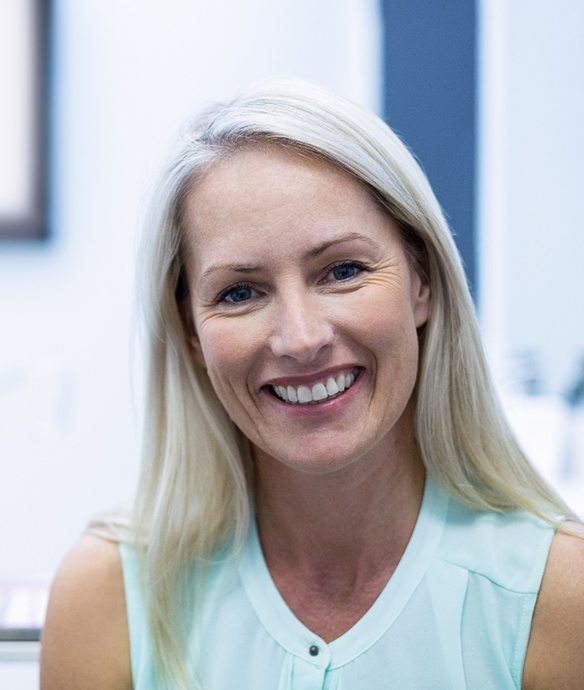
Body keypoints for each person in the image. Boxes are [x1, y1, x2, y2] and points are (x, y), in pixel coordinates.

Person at [40, 79, 584, 690]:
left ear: (421, 282)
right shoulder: (109, 595)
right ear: (191, 331)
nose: (300, 338)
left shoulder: (556, 597)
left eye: (343, 271)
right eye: (240, 292)